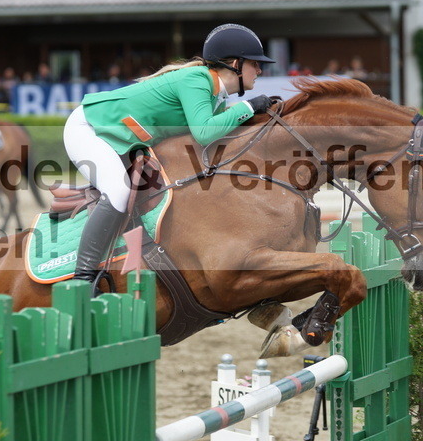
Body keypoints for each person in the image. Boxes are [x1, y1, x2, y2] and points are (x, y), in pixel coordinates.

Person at [63, 23, 275, 291]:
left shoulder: (215, 96)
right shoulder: (196, 80)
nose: (259, 70)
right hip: (89, 128)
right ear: (235, 64)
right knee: (118, 190)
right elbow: (204, 133)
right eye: (255, 64)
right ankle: (82, 277)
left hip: (120, 139)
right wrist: (247, 107)